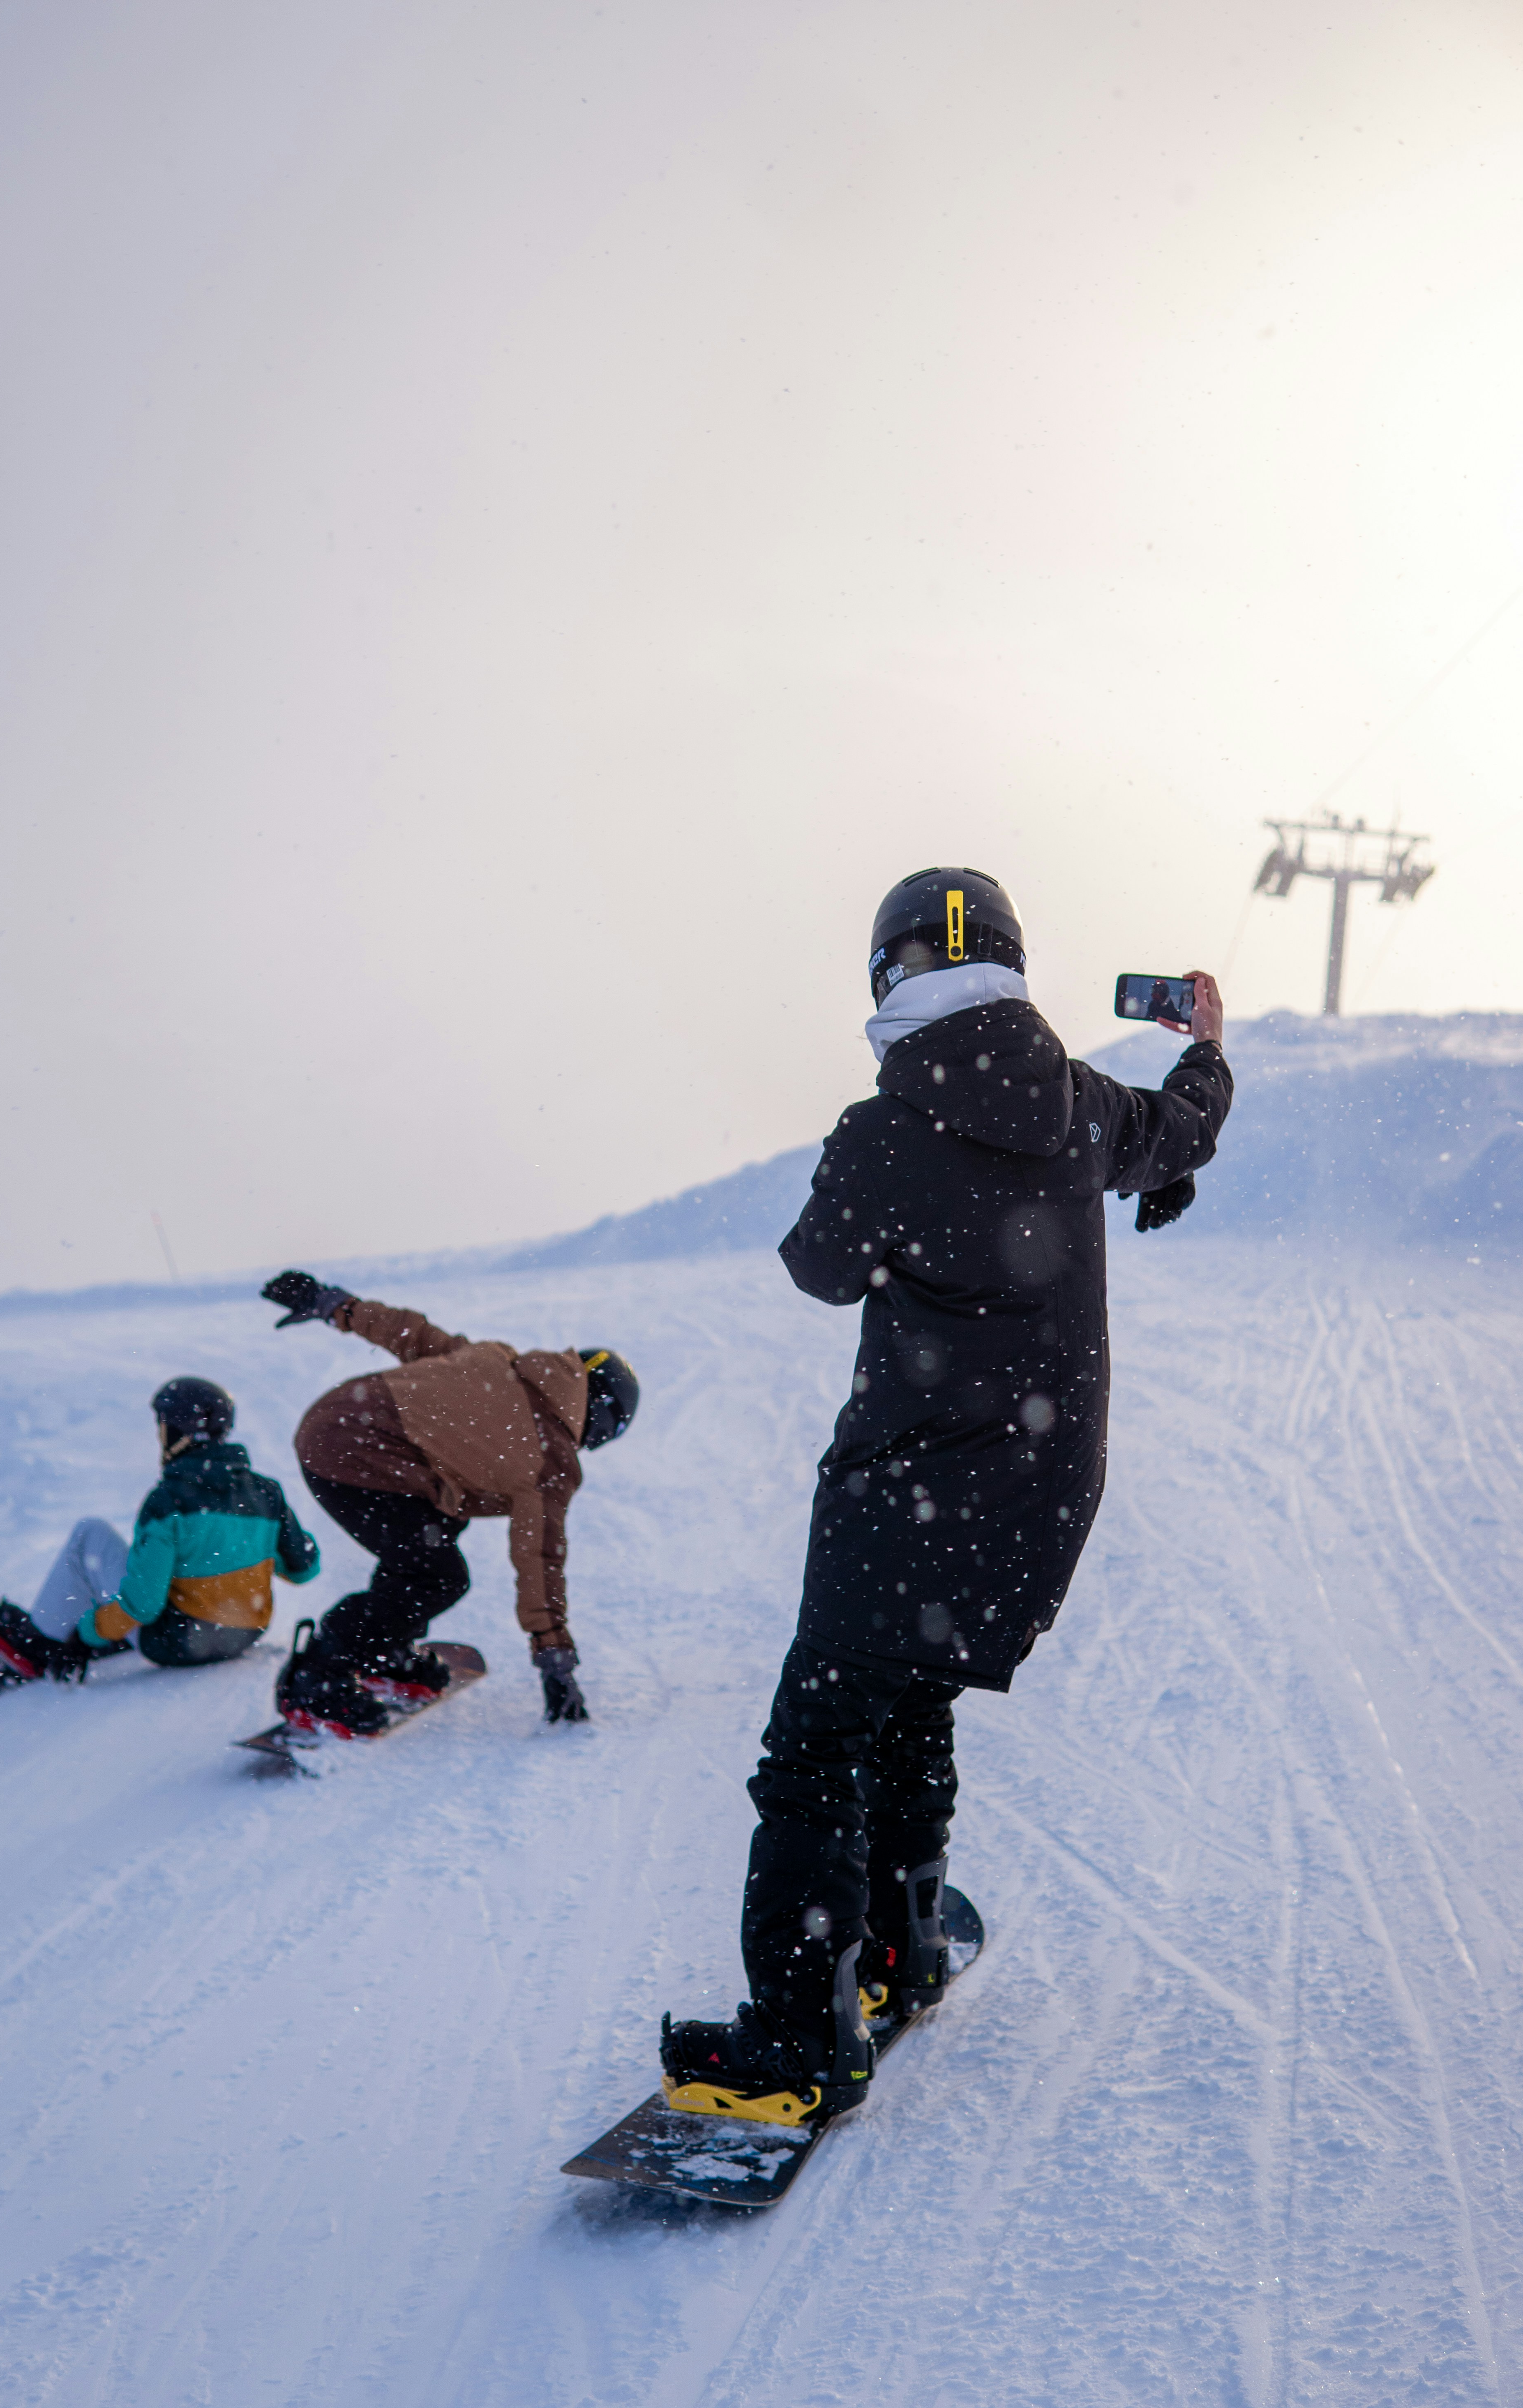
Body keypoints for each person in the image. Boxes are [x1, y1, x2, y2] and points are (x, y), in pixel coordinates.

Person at [661, 866, 1232, 2121]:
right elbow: (1183, 1130)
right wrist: (1205, 1049)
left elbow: (819, 1268)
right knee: (911, 1698)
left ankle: (802, 2034)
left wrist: (866, 1164)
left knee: (814, 1751)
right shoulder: (1081, 1106)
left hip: (901, 1492)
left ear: (887, 977)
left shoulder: (883, 1131)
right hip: (1038, 1498)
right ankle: (900, 1945)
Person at [258, 1273, 639, 1736]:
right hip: (358, 1456)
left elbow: (411, 1333)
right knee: (435, 1575)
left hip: (336, 1423)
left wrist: (334, 1305)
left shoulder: (496, 1360)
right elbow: (539, 1559)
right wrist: (554, 1659)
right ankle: (316, 1679)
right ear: (599, 1415)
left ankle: (385, 1653)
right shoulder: (551, 1455)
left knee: (436, 1531)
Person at [0, 1377, 319, 1691]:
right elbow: (304, 1568)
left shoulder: (168, 1502)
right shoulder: (266, 1493)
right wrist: (248, 1548)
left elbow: (145, 1606)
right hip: (244, 1635)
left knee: (89, 1535)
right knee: (164, 1569)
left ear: (179, 1434)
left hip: (178, 1644)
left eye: (163, 1426)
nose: (159, 1436)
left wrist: (86, 1634)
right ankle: (109, 1622)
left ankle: (36, 1648)